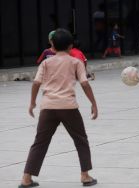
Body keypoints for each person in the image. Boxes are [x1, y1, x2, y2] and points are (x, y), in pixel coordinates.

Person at [18, 28, 98, 188]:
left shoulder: (46, 63)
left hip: (48, 106)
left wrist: (33, 102)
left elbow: (36, 83)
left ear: (52, 45)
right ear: (71, 46)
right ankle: (85, 176)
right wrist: (94, 104)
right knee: (81, 140)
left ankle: (26, 178)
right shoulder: (76, 62)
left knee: (40, 142)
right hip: (68, 106)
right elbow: (84, 83)